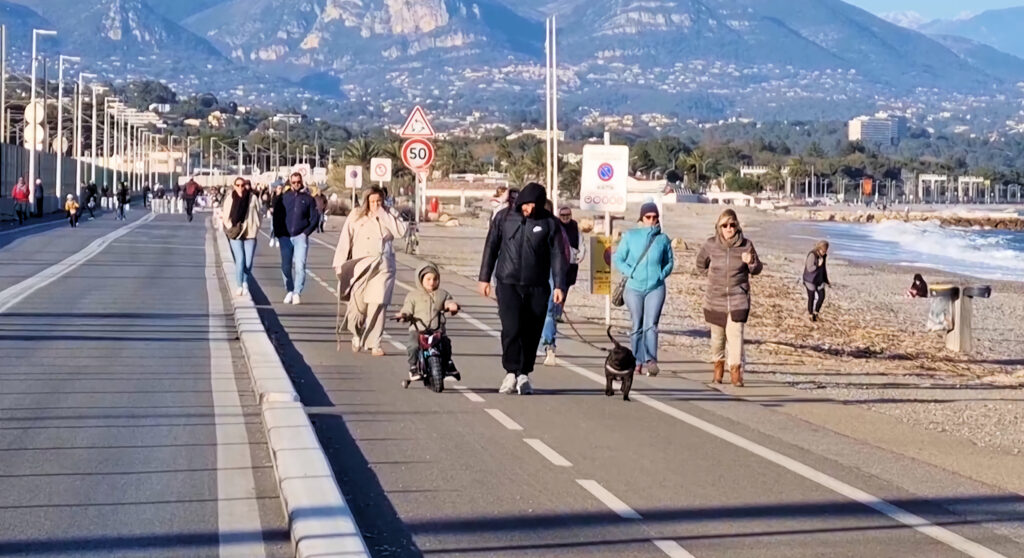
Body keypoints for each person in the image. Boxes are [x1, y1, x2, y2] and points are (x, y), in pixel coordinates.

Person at [478, 182, 568, 395]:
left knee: (532, 331)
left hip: (538, 285)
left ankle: (524, 374)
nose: (528, 209)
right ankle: (510, 372)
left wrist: (559, 285)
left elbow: (558, 255)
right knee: (511, 328)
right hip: (507, 282)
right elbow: (491, 246)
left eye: (533, 206)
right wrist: (484, 278)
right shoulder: (504, 218)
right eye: (526, 205)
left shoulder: (550, 223)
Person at [332, 186, 407, 355]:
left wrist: (384, 214)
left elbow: (401, 232)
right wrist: (340, 264)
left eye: (379, 201)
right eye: (372, 201)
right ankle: (356, 333)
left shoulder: (390, 213)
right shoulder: (356, 215)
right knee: (358, 306)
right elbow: (345, 239)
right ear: (366, 201)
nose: (375, 204)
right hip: (360, 265)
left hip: (383, 265)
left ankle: (375, 343)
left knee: (378, 303)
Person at [697, 209, 763, 387]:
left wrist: (751, 262)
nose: (729, 228)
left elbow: (757, 269)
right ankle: (718, 370)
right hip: (715, 299)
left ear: (737, 226)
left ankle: (736, 373)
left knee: (736, 337)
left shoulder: (746, 245)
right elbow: (700, 264)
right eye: (724, 225)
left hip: (738, 298)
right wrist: (711, 278)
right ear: (719, 227)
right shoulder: (711, 244)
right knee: (717, 339)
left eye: (732, 225)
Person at [612, 202, 675, 376]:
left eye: (655, 217)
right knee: (637, 324)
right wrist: (630, 272)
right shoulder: (630, 236)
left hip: (655, 287)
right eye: (648, 217)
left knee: (651, 325)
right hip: (634, 287)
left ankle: (651, 360)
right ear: (642, 218)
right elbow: (618, 258)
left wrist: (661, 274)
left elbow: (669, 262)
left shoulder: (662, 239)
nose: (652, 220)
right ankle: (637, 360)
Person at [397, 263, 460, 382]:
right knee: (413, 345)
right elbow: (407, 309)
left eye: (435, 279)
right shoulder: (413, 296)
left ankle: (448, 364)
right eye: (428, 279)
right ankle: (413, 367)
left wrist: (452, 306)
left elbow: (448, 301)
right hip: (418, 329)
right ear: (421, 279)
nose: (432, 282)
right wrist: (403, 315)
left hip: (437, 329)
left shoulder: (442, 294)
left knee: (445, 343)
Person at [541, 204, 580, 366]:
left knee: (549, 311)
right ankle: (545, 342)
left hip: (552, 272)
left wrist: (559, 282)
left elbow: (565, 253)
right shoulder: (556, 227)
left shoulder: (557, 228)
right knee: (542, 311)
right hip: (541, 273)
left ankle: (549, 344)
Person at [274, 173, 318, 305]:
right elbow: (277, 216)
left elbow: (314, 218)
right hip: (285, 236)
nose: (296, 184)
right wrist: (278, 233)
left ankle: (297, 292)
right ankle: (289, 289)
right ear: (290, 182)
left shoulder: (308, 199)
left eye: (298, 182)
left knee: (300, 265)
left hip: (300, 236)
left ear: (301, 182)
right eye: (294, 182)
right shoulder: (284, 198)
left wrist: (306, 232)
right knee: (285, 266)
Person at [220, 178, 262, 297]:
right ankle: (240, 284)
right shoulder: (230, 198)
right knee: (240, 260)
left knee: (248, 262)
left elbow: (259, 213)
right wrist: (230, 227)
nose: (240, 187)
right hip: (236, 233)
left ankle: (244, 281)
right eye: (238, 185)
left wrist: (256, 226)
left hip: (250, 232)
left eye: (242, 185)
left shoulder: (252, 198)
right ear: (234, 186)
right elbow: (225, 215)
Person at [803, 240, 831, 322]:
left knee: (822, 296)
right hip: (810, 279)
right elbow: (810, 268)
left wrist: (826, 280)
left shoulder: (823, 256)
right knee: (811, 297)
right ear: (819, 248)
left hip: (819, 279)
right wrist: (818, 265)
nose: (824, 253)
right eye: (823, 251)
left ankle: (816, 312)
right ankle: (810, 314)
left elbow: (823, 269)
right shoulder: (812, 255)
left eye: (825, 251)